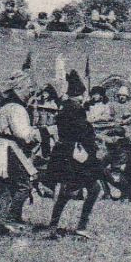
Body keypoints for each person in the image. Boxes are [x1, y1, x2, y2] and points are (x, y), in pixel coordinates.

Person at [44, 71, 102, 238]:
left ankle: (53, 226)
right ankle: (81, 226)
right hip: (77, 155)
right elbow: (83, 133)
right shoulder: (77, 109)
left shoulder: (64, 107)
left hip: (64, 153)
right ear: (81, 94)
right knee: (94, 189)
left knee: (66, 191)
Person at [0, 74, 38, 234]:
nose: (31, 91)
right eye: (28, 88)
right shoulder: (16, 108)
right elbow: (22, 134)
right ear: (18, 88)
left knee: (5, 186)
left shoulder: (6, 106)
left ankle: (1, 218)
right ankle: (9, 219)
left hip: (1, 148)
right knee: (24, 186)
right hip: (8, 150)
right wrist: (40, 133)